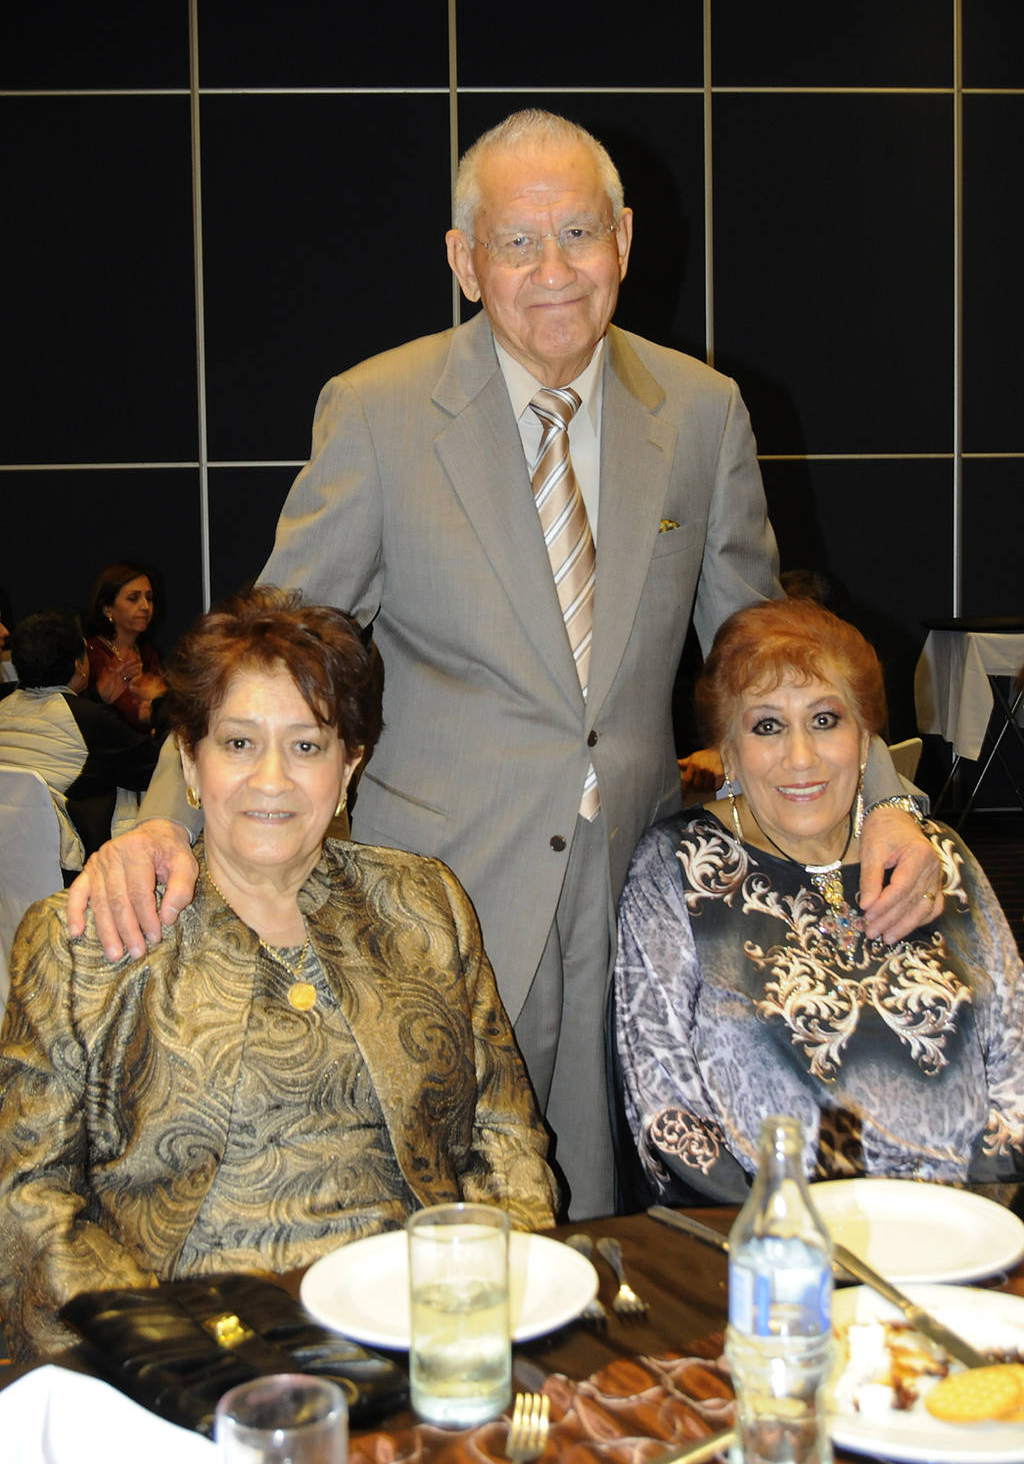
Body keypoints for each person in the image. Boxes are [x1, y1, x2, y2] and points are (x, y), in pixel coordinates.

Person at [67, 109, 940, 1218]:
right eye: (517, 242)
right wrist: (164, 822)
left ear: (624, 240)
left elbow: (769, 655)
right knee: (441, 1212)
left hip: (632, 899)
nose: (553, 270)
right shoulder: (378, 411)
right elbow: (267, 649)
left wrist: (879, 799)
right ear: (463, 260)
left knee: (607, 1218)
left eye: (578, 233)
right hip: (437, 901)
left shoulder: (703, 414)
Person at [0, 587, 557, 1361]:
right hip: (193, 1356)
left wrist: (497, 1301)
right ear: (190, 762)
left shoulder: (426, 906)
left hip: (424, 1333)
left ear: (349, 765)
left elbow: (506, 1138)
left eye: (306, 746)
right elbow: (26, 1205)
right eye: (238, 743)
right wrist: (164, 1353)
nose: (272, 779)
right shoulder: (88, 938)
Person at [613, 598, 1024, 1206]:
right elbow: (663, 1106)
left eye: (826, 720)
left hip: (965, 1227)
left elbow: (1015, 1060)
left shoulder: (935, 856)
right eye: (767, 726)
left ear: (866, 741)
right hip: (772, 1234)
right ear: (727, 750)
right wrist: (778, 1233)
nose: (800, 757)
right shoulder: (678, 868)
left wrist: (983, 1217)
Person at [0, 610, 162, 861]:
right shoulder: (88, 720)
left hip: (12, 863)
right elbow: (157, 767)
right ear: (79, 665)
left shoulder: (5, 707)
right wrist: (161, 703)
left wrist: (97, 699)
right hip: (71, 869)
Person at [85, 562, 167, 733]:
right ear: (107, 609)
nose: (145, 606)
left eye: (149, 598)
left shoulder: (149, 654)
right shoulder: (91, 655)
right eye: (133, 598)